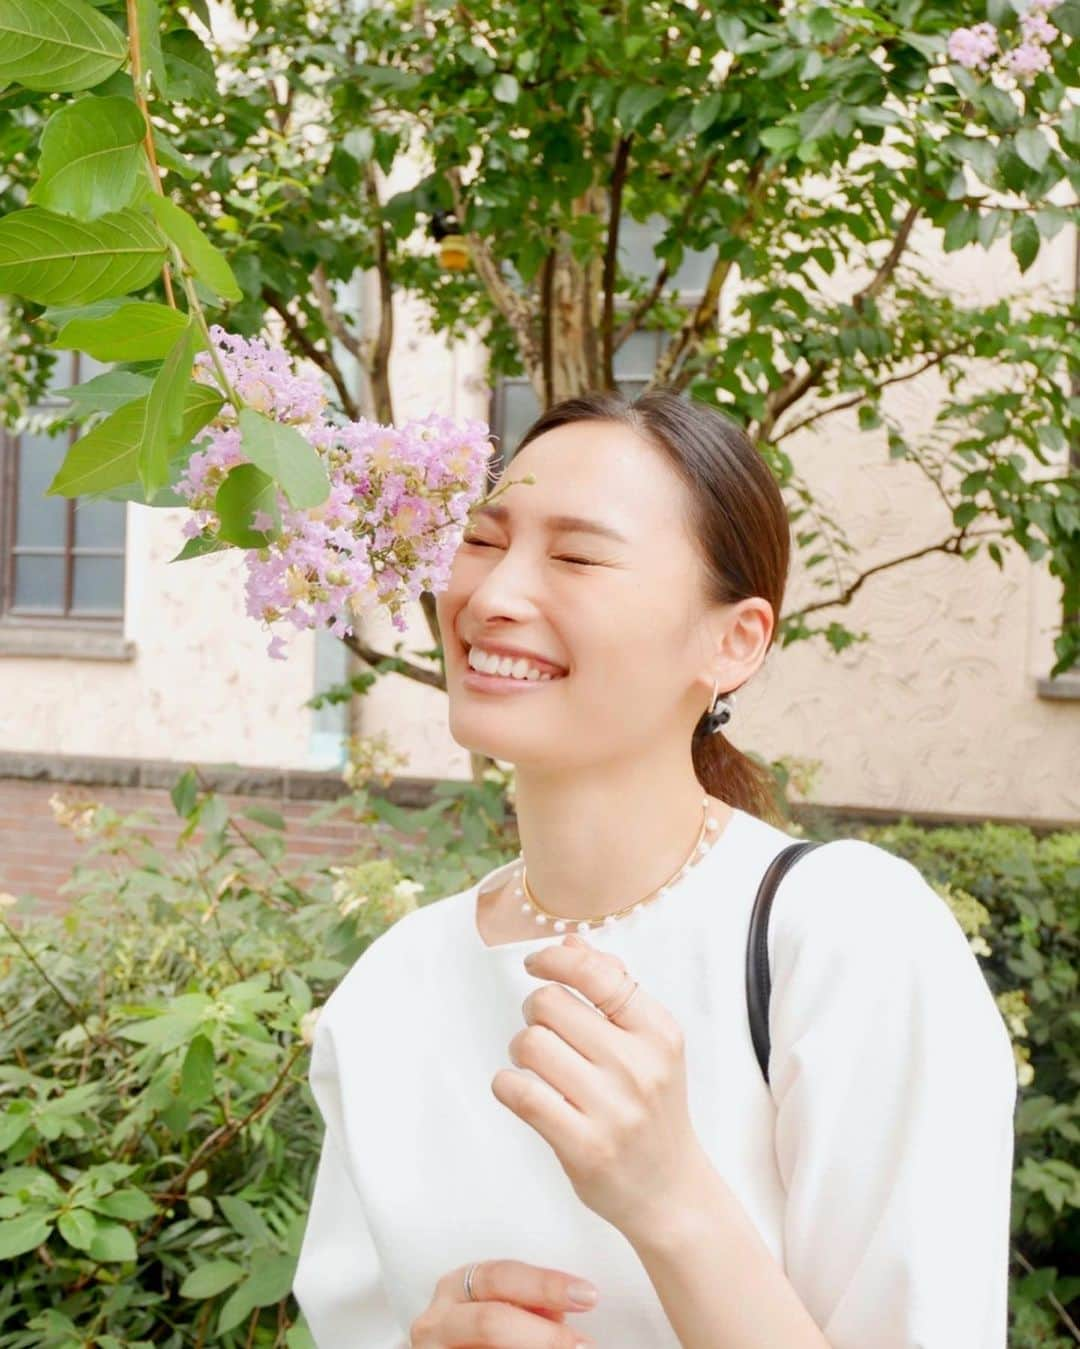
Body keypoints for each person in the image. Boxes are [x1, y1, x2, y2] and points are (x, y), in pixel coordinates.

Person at [292, 391, 1018, 1348]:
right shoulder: (389, 987)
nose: (494, 596)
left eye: (578, 555)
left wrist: (670, 1197)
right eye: (481, 539)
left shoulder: (848, 938)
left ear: (734, 641)